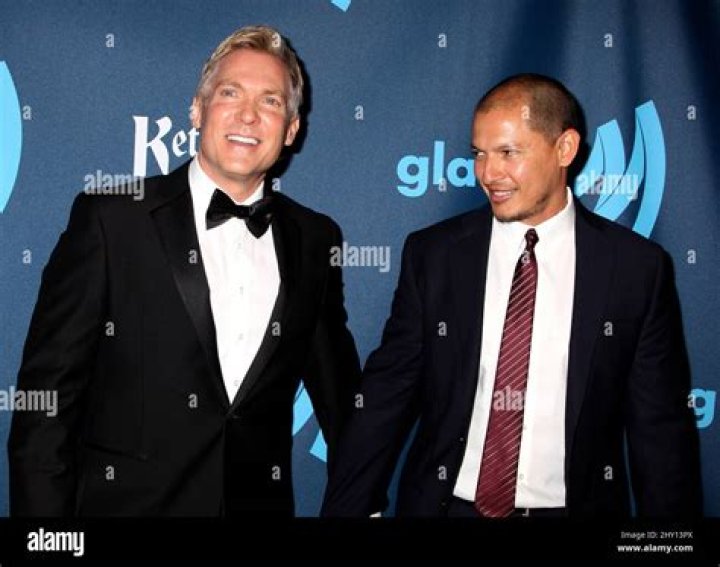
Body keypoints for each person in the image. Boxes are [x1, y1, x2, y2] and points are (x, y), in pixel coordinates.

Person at [8, 25, 361, 517]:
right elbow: (46, 401)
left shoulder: (316, 240)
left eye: (271, 101)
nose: (248, 115)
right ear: (197, 109)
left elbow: (341, 398)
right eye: (231, 93)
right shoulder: (112, 220)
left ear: (291, 129)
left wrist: (364, 502)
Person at [322, 74, 701, 518]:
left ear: (565, 149)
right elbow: (387, 395)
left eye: (508, 153)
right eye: (479, 154)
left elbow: (659, 429)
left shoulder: (635, 268)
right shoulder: (434, 255)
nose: (488, 174)